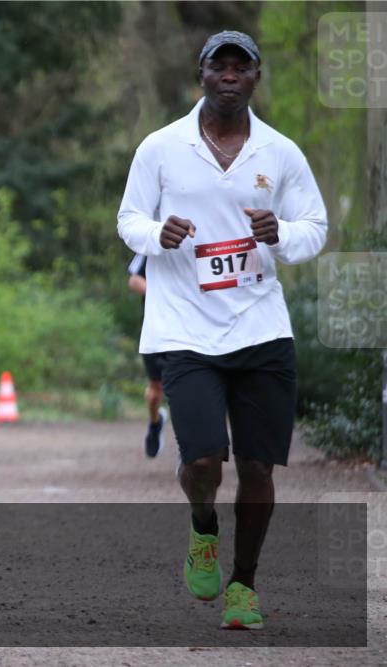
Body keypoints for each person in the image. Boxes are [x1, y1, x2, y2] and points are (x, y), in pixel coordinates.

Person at [117, 31, 327, 630]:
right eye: (219, 66)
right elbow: (128, 217)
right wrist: (157, 234)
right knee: (205, 458)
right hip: (184, 329)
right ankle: (203, 525)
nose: (229, 75)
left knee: (259, 467)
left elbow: (314, 227)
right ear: (202, 74)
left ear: (256, 77)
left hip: (260, 327)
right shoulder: (161, 147)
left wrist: (280, 234)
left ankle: (244, 585)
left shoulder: (280, 152)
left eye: (241, 66)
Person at [126, 253, 168, 457]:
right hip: (156, 330)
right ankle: (155, 422)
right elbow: (134, 280)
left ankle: (192, 446)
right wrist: (161, 294)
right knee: (155, 391)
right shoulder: (154, 241)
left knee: (188, 388)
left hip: (192, 332)